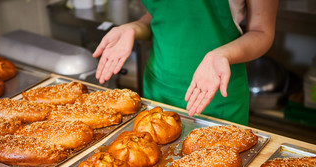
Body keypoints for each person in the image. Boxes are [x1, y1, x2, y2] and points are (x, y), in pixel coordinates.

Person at [92, 0, 278, 125]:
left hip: (217, 96)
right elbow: (160, 15)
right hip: (158, 90)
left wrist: (223, 54)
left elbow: (262, 32)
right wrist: (135, 27)